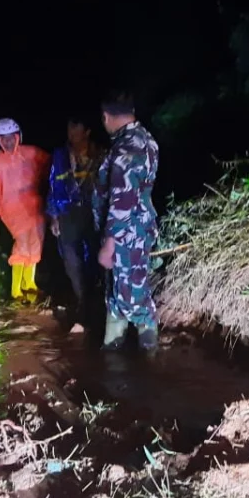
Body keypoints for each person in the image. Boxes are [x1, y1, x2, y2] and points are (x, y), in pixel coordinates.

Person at [93, 92, 160, 351]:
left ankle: (149, 356)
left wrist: (109, 244)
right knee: (118, 294)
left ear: (106, 117)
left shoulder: (127, 148)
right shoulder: (143, 139)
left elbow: (123, 199)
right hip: (133, 231)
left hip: (126, 235)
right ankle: (113, 349)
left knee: (133, 298)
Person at [0, 118, 51, 301]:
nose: (8, 141)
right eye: (2, 138)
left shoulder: (31, 153)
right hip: (11, 209)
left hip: (34, 205)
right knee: (22, 243)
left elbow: (51, 165)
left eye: (11, 137)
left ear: (17, 136)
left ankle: (28, 283)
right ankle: (16, 289)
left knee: (36, 243)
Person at [47, 116, 103, 314]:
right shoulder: (60, 155)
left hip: (92, 213)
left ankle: (97, 299)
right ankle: (82, 301)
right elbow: (53, 186)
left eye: (76, 128)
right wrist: (53, 216)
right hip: (67, 213)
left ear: (87, 131)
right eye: (69, 129)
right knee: (71, 259)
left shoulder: (99, 153)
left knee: (96, 257)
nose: (71, 133)